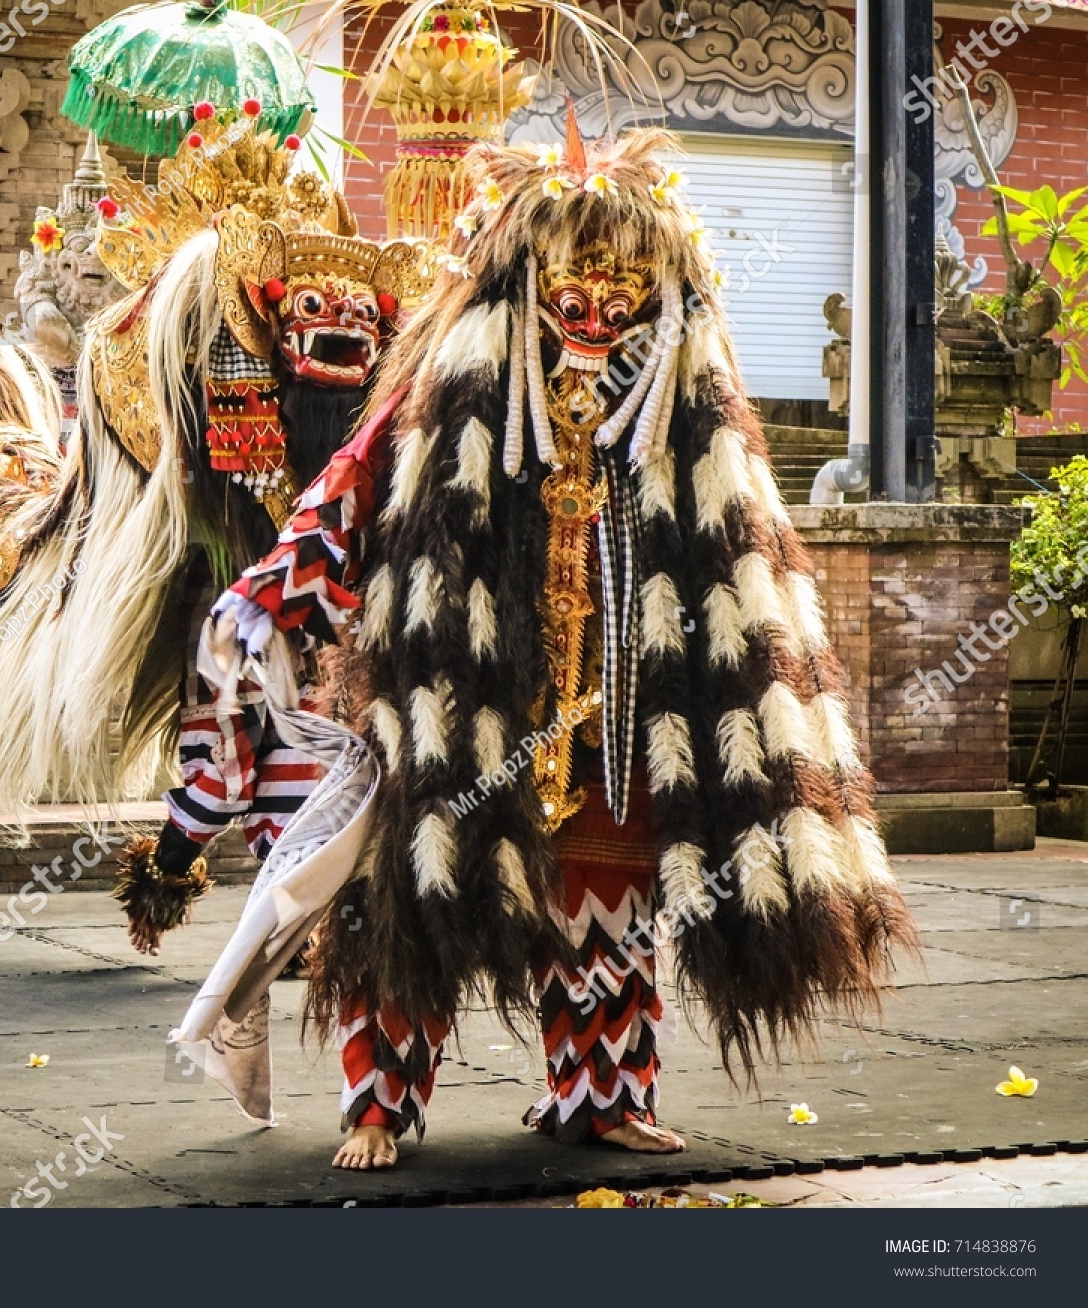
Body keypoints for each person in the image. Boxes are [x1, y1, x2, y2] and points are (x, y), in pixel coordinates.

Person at [205, 124, 917, 1168]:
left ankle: (601, 1095)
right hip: (464, 692)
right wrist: (270, 595)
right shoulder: (454, 392)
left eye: (620, 304)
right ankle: (378, 1106)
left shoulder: (683, 412)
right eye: (571, 304)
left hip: (619, 706)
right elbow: (351, 485)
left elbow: (749, 545)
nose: (594, 324)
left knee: (607, 903)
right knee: (420, 889)